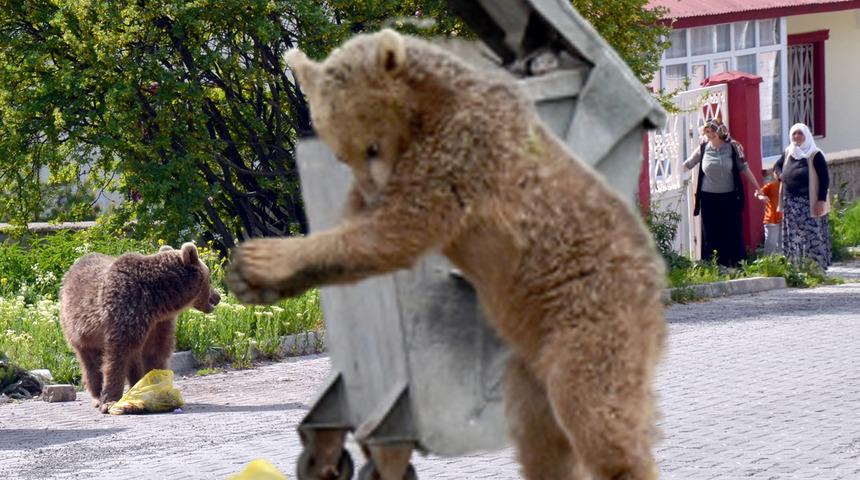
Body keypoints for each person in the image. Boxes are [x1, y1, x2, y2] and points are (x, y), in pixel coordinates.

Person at [683, 118, 763, 267]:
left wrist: (758, 188)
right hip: (708, 198)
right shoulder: (703, 148)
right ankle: (714, 265)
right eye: (707, 131)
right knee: (711, 233)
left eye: (712, 130)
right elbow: (687, 164)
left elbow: (745, 169)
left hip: (730, 197)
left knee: (732, 231)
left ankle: (735, 264)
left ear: (720, 131)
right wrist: (678, 176)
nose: (709, 134)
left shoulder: (732, 147)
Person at [774, 123, 831, 270]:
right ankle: (795, 267)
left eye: (800, 133)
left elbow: (824, 180)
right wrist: (782, 176)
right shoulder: (788, 152)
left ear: (806, 136)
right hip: (790, 202)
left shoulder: (815, 154)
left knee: (811, 234)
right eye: (794, 134)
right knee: (793, 235)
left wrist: (821, 201)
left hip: (809, 201)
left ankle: (815, 268)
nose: (797, 137)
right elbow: (777, 166)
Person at [756, 169, 783, 255]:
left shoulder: (788, 186)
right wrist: (762, 198)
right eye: (777, 172)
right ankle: (767, 264)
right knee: (771, 243)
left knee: (782, 244)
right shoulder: (771, 186)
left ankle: (781, 264)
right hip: (771, 219)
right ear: (774, 173)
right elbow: (757, 193)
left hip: (783, 219)